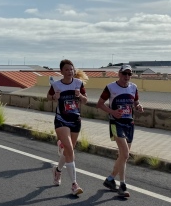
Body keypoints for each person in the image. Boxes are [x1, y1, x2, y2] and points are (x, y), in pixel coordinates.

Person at [97, 64, 143, 198]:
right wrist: (112, 112)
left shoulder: (133, 87)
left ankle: (110, 179)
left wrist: (139, 106)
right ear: (119, 74)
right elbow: (99, 104)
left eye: (129, 74)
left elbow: (136, 102)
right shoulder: (111, 87)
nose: (127, 76)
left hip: (129, 124)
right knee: (126, 154)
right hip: (116, 123)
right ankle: (122, 186)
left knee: (123, 156)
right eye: (124, 74)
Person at [47, 59, 88, 195]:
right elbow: (48, 97)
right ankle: (74, 184)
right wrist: (54, 97)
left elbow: (85, 100)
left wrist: (80, 95)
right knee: (70, 150)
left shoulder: (78, 83)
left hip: (75, 120)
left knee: (68, 152)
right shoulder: (56, 85)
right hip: (61, 120)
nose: (70, 72)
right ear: (61, 72)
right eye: (67, 69)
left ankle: (57, 170)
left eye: (71, 69)